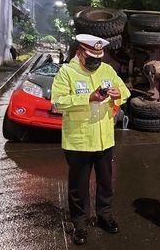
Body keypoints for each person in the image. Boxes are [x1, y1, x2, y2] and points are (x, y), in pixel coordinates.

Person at [51, 34, 131, 245]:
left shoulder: (107, 70)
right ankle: (80, 224)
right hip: (79, 141)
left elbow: (124, 91)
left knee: (105, 182)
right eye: (92, 58)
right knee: (79, 186)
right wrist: (87, 98)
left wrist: (116, 95)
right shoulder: (67, 72)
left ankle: (104, 216)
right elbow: (58, 102)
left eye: (99, 58)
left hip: (104, 140)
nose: (96, 63)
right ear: (79, 54)